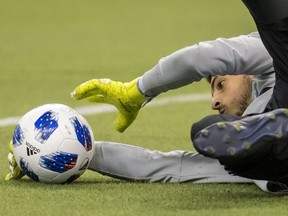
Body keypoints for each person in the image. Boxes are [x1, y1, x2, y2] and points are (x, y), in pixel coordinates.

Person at [7, 31, 283, 193]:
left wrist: (138, 90)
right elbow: (170, 166)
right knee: (217, 139)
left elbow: (201, 58)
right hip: (269, 157)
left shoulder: (274, 53)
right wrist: (76, 153)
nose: (214, 101)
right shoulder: (236, 148)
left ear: (247, 71)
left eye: (220, 85)